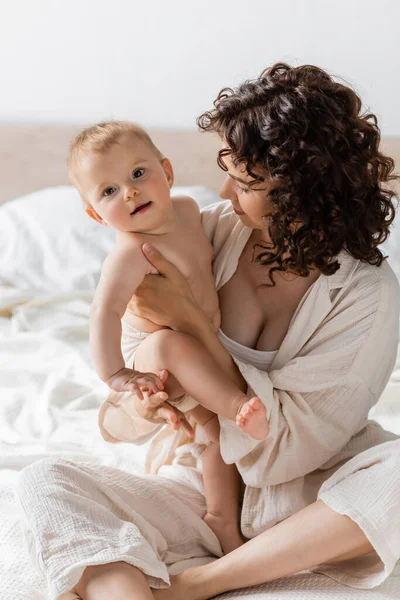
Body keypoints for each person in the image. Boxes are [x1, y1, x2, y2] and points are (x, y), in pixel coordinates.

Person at [15, 63, 400, 600]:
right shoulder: (207, 232)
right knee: (45, 483)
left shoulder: (367, 294)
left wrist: (196, 326)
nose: (222, 190)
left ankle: (196, 583)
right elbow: (134, 375)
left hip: (314, 501)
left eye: (244, 181)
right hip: (202, 484)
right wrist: (146, 401)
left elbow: (281, 453)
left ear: (302, 191)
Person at [67, 121, 268, 554]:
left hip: (199, 347)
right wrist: (116, 375)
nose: (130, 193)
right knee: (179, 362)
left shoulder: (191, 211)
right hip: (149, 359)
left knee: (212, 435)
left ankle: (223, 505)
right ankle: (233, 425)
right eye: (108, 192)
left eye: (138, 174)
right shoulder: (128, 255)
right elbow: (104, 311)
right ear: (94, 215)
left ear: (167, 172)